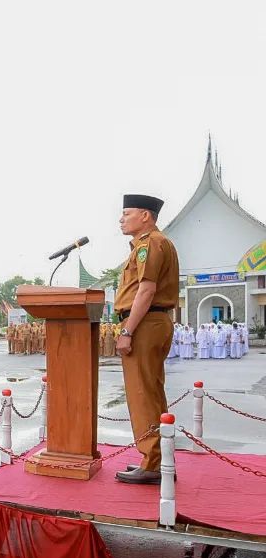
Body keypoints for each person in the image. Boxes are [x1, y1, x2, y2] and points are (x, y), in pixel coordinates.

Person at [113, 194, 179, 486]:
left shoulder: (149, 243)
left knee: (142, 395)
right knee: (152, 392)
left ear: (145, 216)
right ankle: (157, 458)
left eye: (126, 213)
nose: (121, 219)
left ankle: (152, 460)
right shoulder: (153, 243)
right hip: (154, 321)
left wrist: (127, 331)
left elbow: (146, 290)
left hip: (144, 322)